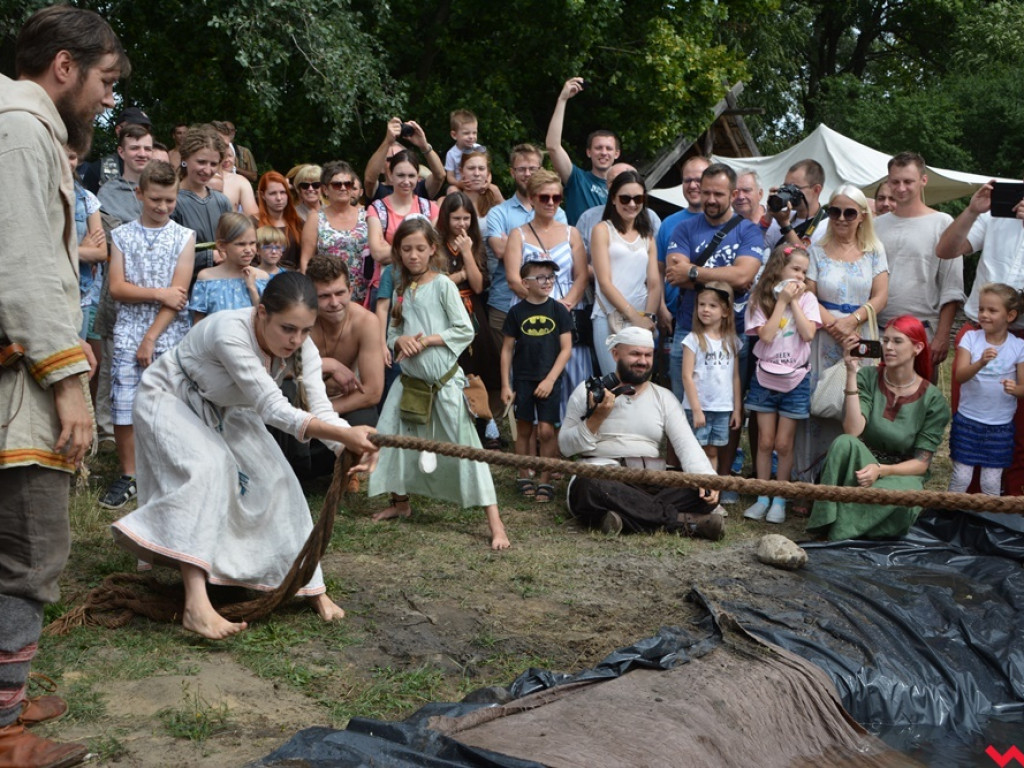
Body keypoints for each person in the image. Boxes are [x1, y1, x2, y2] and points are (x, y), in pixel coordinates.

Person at [111, 272, 378, 639]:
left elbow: (322, 409)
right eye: (287, 328)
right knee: (209, 469)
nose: (296, 339)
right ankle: (196, 605)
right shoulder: (229, 331)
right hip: (172, 396)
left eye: (304, 330)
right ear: (262, 312)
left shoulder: (303, 347)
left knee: (281, 481)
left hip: (230, 409)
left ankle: (309, 586)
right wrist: (346, 435)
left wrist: (348, 447)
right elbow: (273, 409)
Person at [0, 7, 127, 764]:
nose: (108, 102)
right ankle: (3, 729)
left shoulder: (23, 128)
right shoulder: (19, 130)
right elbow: (24, 271)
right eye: (106, 83)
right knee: (28, 552)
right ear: (65, 67)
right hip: (21, 384)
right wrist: (69, 381)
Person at [367, 219, 510, 550]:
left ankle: (495, 522)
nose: (413, 255)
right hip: (409, 383)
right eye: (406, 250)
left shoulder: (443, 284)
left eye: (420, 248)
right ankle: (400, 502)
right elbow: (391, 333)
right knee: (392, 439)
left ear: (433, 249)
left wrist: (429, 340)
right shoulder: (402, 287)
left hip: (443, 384)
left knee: (467, 448)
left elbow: (464, 329)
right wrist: (400, 341)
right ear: (398, 253)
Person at [559, 328, 724, 540]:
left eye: (648, 355)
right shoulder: (588, 391)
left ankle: (621, 518)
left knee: (704, 494)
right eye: (635, 354)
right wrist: (596, 418)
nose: (643, 361)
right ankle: (685, 522)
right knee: (589, 486)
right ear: (616, 354)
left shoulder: (664, 397)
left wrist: (707, 479)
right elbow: (565, 447)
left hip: (650, 481)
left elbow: (687, 445)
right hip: (604, 476)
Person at [100, 160, 195, 511]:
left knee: (171, 403)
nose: (162, 207)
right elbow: (118, 288)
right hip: (127, 330)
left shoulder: (184, 237)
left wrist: (152, 337)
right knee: (124, 404)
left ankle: (167, 467)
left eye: (170, 201)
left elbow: (179, 292)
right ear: (139, 194)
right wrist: (158, 294)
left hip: (168, 333)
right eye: (155, 199)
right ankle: (129, 474)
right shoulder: (122, 235)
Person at [664, 163, 764, 489]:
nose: (709, 199)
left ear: (734, 194)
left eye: (718, 194)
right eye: (705, 192)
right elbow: (674, 272)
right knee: (682, 409)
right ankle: (684, 481)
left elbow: (744, 276)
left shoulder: (748, 230)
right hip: (687, 330)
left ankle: (721, 481)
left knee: (728, 409)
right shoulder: (684, 228)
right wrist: (726, 277)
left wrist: (694, 273)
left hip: (732, 332)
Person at [807, 316, 950, 541]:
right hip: (862, 464)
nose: (889, 347)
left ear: (917, 347)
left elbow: (921, 464)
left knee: (907, 495)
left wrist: (881, 470)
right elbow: (853, 431)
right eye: (885, 341)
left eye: (897, 341)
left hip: (900, 474)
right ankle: (831, 521)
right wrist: (852, 373)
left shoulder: (933, 400)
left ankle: (839, 527)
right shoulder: (868, 376)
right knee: (844, 443)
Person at [795, 185, 888, 485]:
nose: (841, 218)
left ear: (862, 216)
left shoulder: (875, 251)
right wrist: (834, 326)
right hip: (823, 334)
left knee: (856, 403)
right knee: (819, 403)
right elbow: (807, 293)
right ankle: (810, 478)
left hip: (862, 334)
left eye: (849, 212)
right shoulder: (817, 250)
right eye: (835, 211)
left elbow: (881, 295)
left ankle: (850, 476)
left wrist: (854, 320)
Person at [937, 179, 1024, 495]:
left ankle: (1013, 507)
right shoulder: (995, 210)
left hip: (1022, 335)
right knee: (971, 417)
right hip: (980, 329)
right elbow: (946, 249)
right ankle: (971, 506)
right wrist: (972, 211)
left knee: (1019, 430)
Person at [272, 255, 384, 480]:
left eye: (340, 293)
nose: (334, 302)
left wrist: (323, 413)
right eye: (324, 296)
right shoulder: (300, 321)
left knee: (364, 416)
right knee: (285, 395)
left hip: (337, 403)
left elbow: (372, 392)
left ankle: (341, 470)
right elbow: (277, 369)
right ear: (311, 297)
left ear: (351, 290)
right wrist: (327, 364)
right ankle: (294, 472)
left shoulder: (366, 322)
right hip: (300, 400)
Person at [742, 245, 821, 524]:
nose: (800, 276)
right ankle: (763, 495)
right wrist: (780, 301)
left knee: (784, 444)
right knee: (764, 441)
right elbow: (765, 335)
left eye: (804, 272)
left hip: (795, 378)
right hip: (765, 378)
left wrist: (795, 302)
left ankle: (780, 497)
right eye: (795, 269)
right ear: (779, 269)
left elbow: (809, 333)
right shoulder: (759, 299)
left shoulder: (809, 299)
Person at [505, 169, 592, 412]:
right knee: (532, 367)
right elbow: (513, 278)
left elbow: (581, 276)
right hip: (529, 306)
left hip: (567, 305)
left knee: (572, 368)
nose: (551, 203)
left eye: (556, 198)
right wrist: (540, 303)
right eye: (544, 197)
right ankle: (533, 429)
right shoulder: (518, 234)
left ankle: (573, 432)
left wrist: (563, 306)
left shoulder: (571, 232)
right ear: (532, 198)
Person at [875, 152, 963, 372]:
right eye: (895, 181)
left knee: (917, 403)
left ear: (923, 181)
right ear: (888, 182)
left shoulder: (942, 224)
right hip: (878, 331)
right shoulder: (876, 226)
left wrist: (942, 336)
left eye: (908, 181)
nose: (901, 188)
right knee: (876, 402)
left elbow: (952, 287)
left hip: (921, 333)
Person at [501, 259, 573, 503]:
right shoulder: (516, 312)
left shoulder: (558, 310)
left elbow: (566, 349)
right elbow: (507, 350)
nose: (547, 282)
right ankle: (523, 474)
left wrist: (551, 380)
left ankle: (545, 479)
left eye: (550, 277)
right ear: (525, 283)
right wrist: (505, 384)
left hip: (549, 381)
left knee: (546, 430)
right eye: (541, 278)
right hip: (523, 379)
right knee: (523, 428)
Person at [485, 144, 566, 358]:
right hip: (504, 305)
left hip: (551, 306)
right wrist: (523, 247)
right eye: (521, 169)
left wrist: (515, 245)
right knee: (508, 373)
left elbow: (559, 256)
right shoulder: (498, 213)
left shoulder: (558, 212)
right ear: (512, 172)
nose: (527, 174)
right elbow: (500, 251)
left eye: (533, 168)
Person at [947, 284, 1024, 495]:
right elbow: (960, 376)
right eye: (981, 309)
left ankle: (988, 522)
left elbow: (1023, 389)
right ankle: (948, 518)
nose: (984, 315)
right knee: (961, 478)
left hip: (999, 426)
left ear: (1010, 315)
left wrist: (1014, 389)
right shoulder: (971, 338)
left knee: (990, 484)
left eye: (992, 310)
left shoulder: (1018, 346)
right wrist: (980, 362)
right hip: (969, 421)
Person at [590, 170, 661, 374]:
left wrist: (648, 316)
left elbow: (654, 283)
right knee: (615, 381)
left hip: (642, 317)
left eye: (638, 198)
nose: (631, 204)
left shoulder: (647, 236)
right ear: (613, 199)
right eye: (625, 198)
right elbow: (604, 282)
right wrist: (634, 316)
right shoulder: (602, 230)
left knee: (639, 383)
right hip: (609, 315)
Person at [680, 282, 741, 475]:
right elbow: (686, 376)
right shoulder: (693, 339)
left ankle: (710, 495)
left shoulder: (732, 342)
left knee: (713, 450)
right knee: (696, 451)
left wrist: (737, 409)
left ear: (725, 311)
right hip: (699, 407)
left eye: (712, 306)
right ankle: (692, 495)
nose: (705, 309)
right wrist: (697, 410)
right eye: (701, 304)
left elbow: (735, 377)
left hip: (722, 408)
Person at [545, 76, 621, 224]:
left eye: (609, 148)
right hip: (579, 246)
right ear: (589, 152)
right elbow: (553, 146)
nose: (604, 152)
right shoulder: (577, 179)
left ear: (617, 154)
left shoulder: (623, 188)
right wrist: (562, 100)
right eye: (598, 148)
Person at [299, 161, 370, 305]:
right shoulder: (316, 218)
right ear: (325, 189)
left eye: (348, 184)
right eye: (337, 184)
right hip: (328, 296)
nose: (343, 188)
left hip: (364, 294)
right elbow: (305, 260)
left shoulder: (367, 216)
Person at [656, 155, 709, 343]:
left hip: (715, 319)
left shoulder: (729, 223)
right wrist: (660, 307)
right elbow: (658, 271)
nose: (693, 185)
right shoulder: (668, 223)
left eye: (699, 180)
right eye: (688, 180)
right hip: (675, 317)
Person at [172, 124, 232, 273]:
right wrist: (209, 256)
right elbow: (167, 256)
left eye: (213, 164)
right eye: (201, 162)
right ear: (185, 158)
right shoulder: (171, 202)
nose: (207, 170)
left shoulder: (222, 201)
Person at [190, 212, 269, 322]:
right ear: (222, 245)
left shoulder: (261, 278)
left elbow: (266, 320)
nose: (248, 249)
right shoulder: (207, 279)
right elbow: (198, 323)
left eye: (252, 243)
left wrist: (252, 288)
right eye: (241, 244)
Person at [364, 116, 445, 201]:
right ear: (381, 168)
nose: (397, 163)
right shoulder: (377, 191)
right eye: (390, 159)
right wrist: (387, 141)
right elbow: (369, 179)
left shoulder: (419, 189)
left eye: (401, 158)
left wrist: (424, 146)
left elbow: (440, 176)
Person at [764, 159, 829, 249]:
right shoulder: (781, 216)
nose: (789, 192)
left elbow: (806, 260)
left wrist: (785, 225)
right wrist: (769, 213)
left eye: (795, 188)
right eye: (786, 187)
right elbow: (755, 248)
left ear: (816, 190)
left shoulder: (827, 227)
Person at [96, 122, 152, 224]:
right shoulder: (108, 193)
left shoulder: (163, 189)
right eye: (135, 148)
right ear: (121, 152)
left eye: (147, 149)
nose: (142, 154)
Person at [258, 170, 304, 271]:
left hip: (293, 280)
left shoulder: (298, 223)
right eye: (273, 193)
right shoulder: (253, 224)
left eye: (283, 192)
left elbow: (305, 259)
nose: (279, 198)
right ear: (262, 195)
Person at [444, 108, 485, 187]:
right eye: (466, 133)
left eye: (474, 133)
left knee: (494, 189)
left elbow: (487, 170)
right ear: (454, 135)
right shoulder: (451, 154)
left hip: (479, 184)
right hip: (461, 186)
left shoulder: (479, 149)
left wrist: (487, 182)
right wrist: (459, 184)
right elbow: (450, 177)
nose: (471, 137)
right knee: (451, 190)